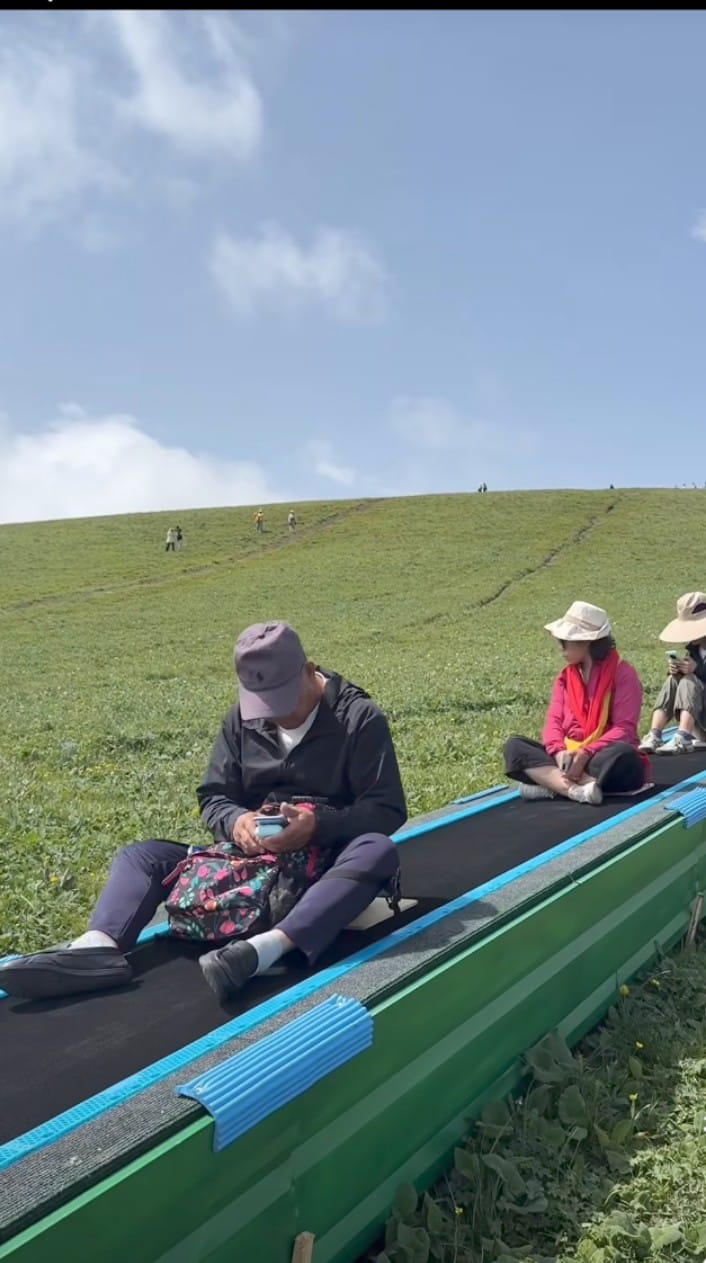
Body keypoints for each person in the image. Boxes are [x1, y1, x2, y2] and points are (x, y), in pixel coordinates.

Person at [0, 622, 407, 1004]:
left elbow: (387, 808)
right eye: (264, 704)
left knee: (377, 850)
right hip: (254, 859)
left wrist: (318, 825)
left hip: (325, 860)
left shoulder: (359, 718)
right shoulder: (242, 719)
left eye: (283, 700)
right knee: (141, 856)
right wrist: (237, 822)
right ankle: (97, 949)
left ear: (310, 670)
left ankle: (265, 949)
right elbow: (214, 795)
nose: (274, 714)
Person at [503, 601, 647, 805]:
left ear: (585, 642)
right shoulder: (565, 678)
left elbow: (624, 729)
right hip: (569, 755)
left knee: (623, 755)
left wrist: (586, 754)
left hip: (598, 756)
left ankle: (550, 784)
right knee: (515, 747)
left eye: (565, 641)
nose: (560, 647)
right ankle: (575, 790)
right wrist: (558, 751)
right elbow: (553, 721)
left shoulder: (623, 674)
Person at [639, 592, 706, 754]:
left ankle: (683, 736)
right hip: (700, 718)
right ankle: (655, 734)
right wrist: (676, 671)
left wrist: (696, 669)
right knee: (675, 679)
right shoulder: (693, 649)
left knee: (689, 680)